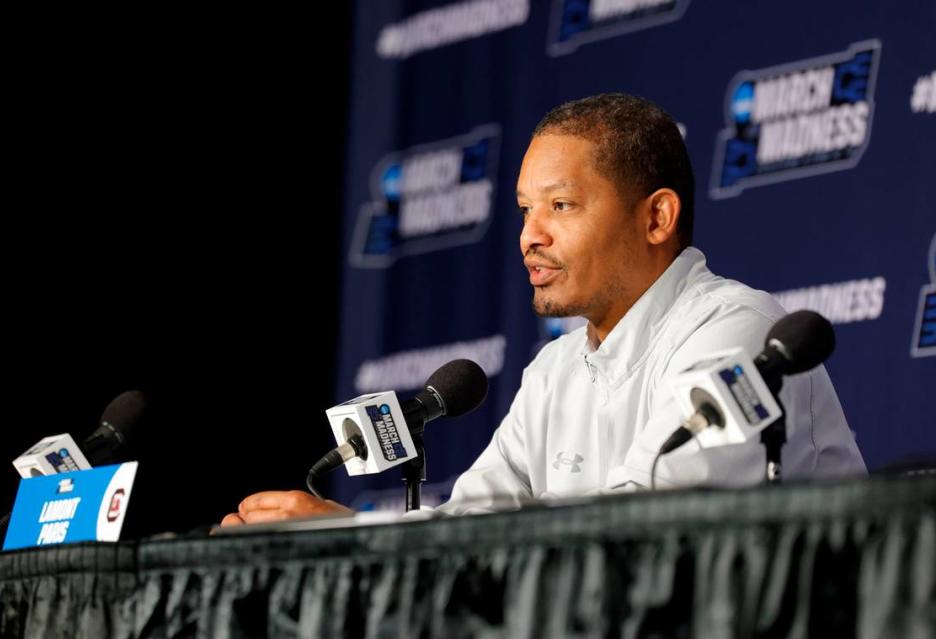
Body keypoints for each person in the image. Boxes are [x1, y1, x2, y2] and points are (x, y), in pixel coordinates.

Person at [220, 93, 865, 526]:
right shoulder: (555, 368)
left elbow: (656, 530)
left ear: (657, 217)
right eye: (526, 209)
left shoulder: (735, 331)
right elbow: (471, 527)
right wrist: (349, 537)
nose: (530, 235)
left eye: (561, 206)